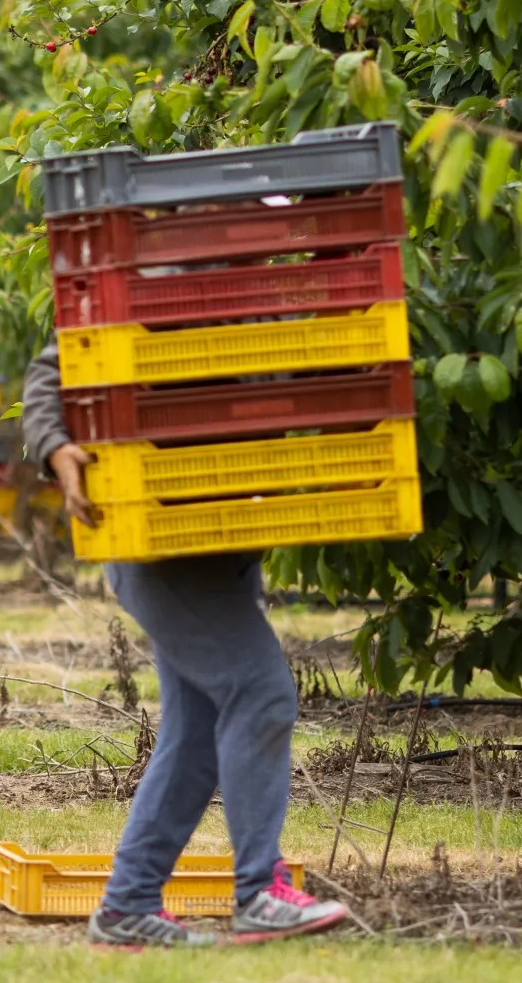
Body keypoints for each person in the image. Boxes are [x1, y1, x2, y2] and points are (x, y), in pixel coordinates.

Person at [21, 340, 351, 948]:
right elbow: (54, 367)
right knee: (262, 693)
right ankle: (259, 892)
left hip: (225, 543)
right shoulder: (152, 280)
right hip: (156, 545)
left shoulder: (258, 299)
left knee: (195, 737)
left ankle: (127, 907)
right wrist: (55, 446)